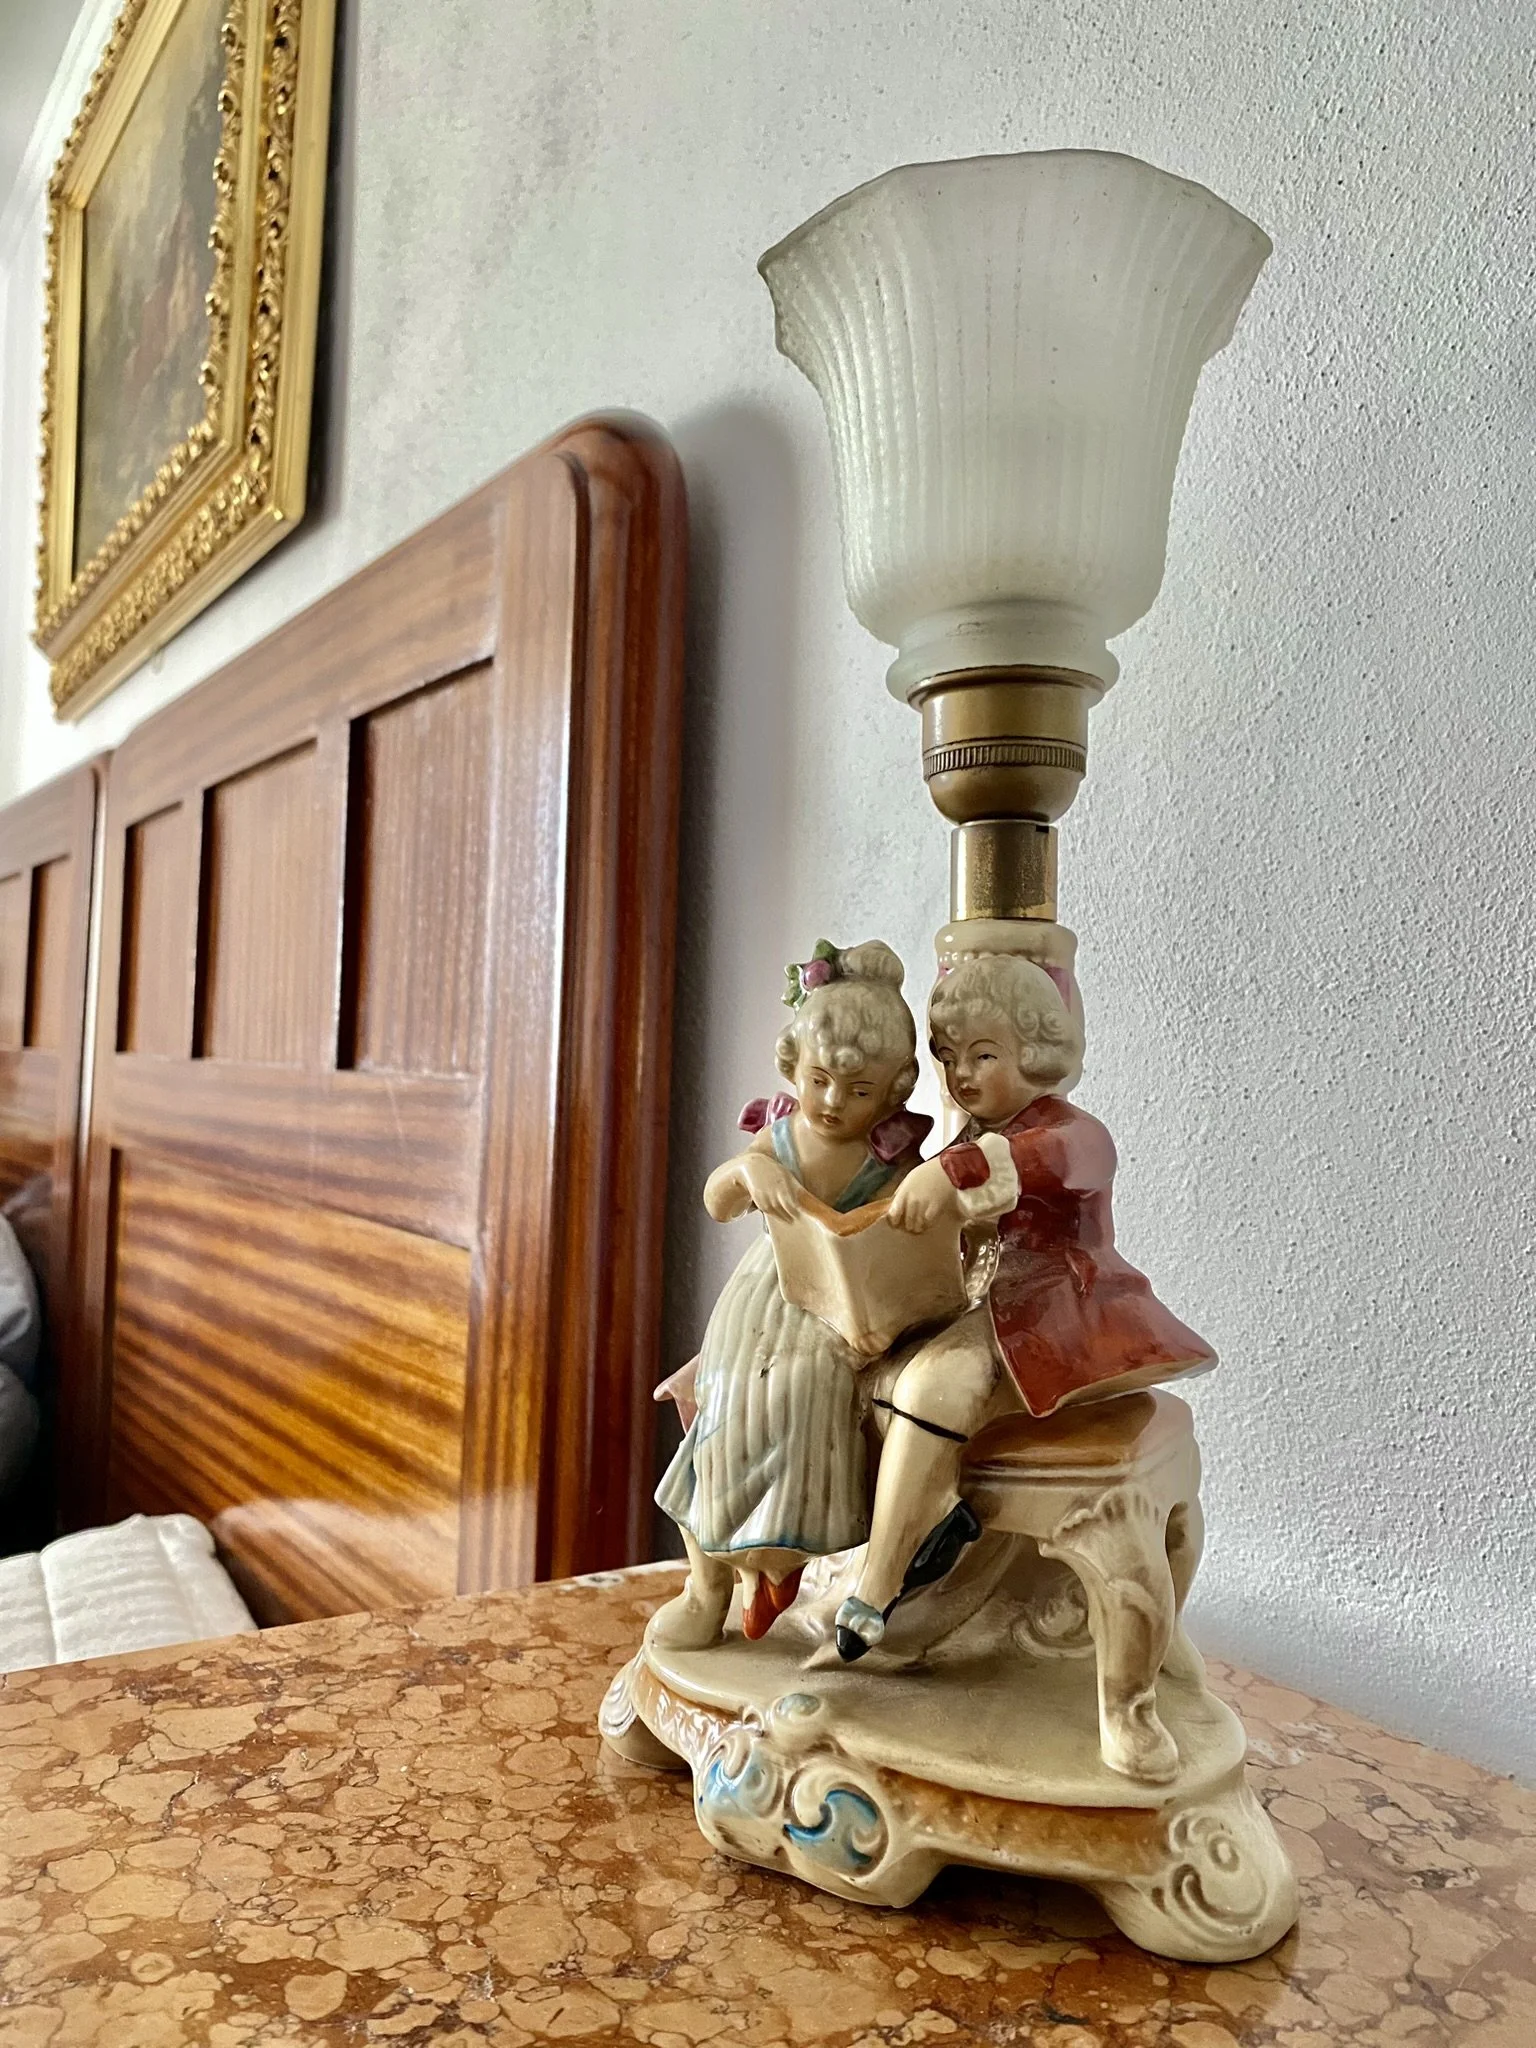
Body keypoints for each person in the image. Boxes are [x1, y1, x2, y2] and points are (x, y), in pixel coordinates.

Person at [834, 950, 1216, 1660]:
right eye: (949, 1058)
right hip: (981, 1306)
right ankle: (930, 1516)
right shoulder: (968, 1137)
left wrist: (952, 1173)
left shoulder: (1071, 1130)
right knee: (866, 1372)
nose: (963, 1075)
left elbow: (1050, 1160)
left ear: (1035, 1050)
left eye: (984, 1054)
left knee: (935, 1382)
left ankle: (877, 1585)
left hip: (1054, 1315)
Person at [652, 940, 929, 1649]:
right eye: (820, 1080)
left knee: (806, 1395)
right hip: (762, 1296)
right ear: (792, 1066)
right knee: (725, 1406)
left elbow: (911, 1240)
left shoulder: (890, 1158)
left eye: (859, 1089)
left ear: (896, 1087)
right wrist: (748, 1176)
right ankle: (707, 1584)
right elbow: (715, 1201)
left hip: (840, 1307)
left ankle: (781, 1560)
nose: (834, 1102)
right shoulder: (778, 1138)